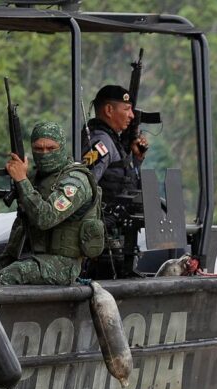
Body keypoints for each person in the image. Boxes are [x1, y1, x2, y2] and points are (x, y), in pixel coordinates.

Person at [0, 121, 102, 286]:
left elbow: (45, 218)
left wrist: (21, 180)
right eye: (38, 149)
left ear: (62, 147)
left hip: (64, 265)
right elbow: (21, 224)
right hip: (34, 256)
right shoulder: (36, 178)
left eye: (51, 148)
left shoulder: (76, 181)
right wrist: (5, 260)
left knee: (10, 275)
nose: (45, 153)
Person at [82, 85, 150, 278]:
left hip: (117, 236)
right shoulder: (100, 143)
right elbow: (85, 184)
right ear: (109, 110)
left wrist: (136, 159)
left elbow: (121, 179)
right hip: (103, 239)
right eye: (126, 109)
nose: (131, 115)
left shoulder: (113, 141)